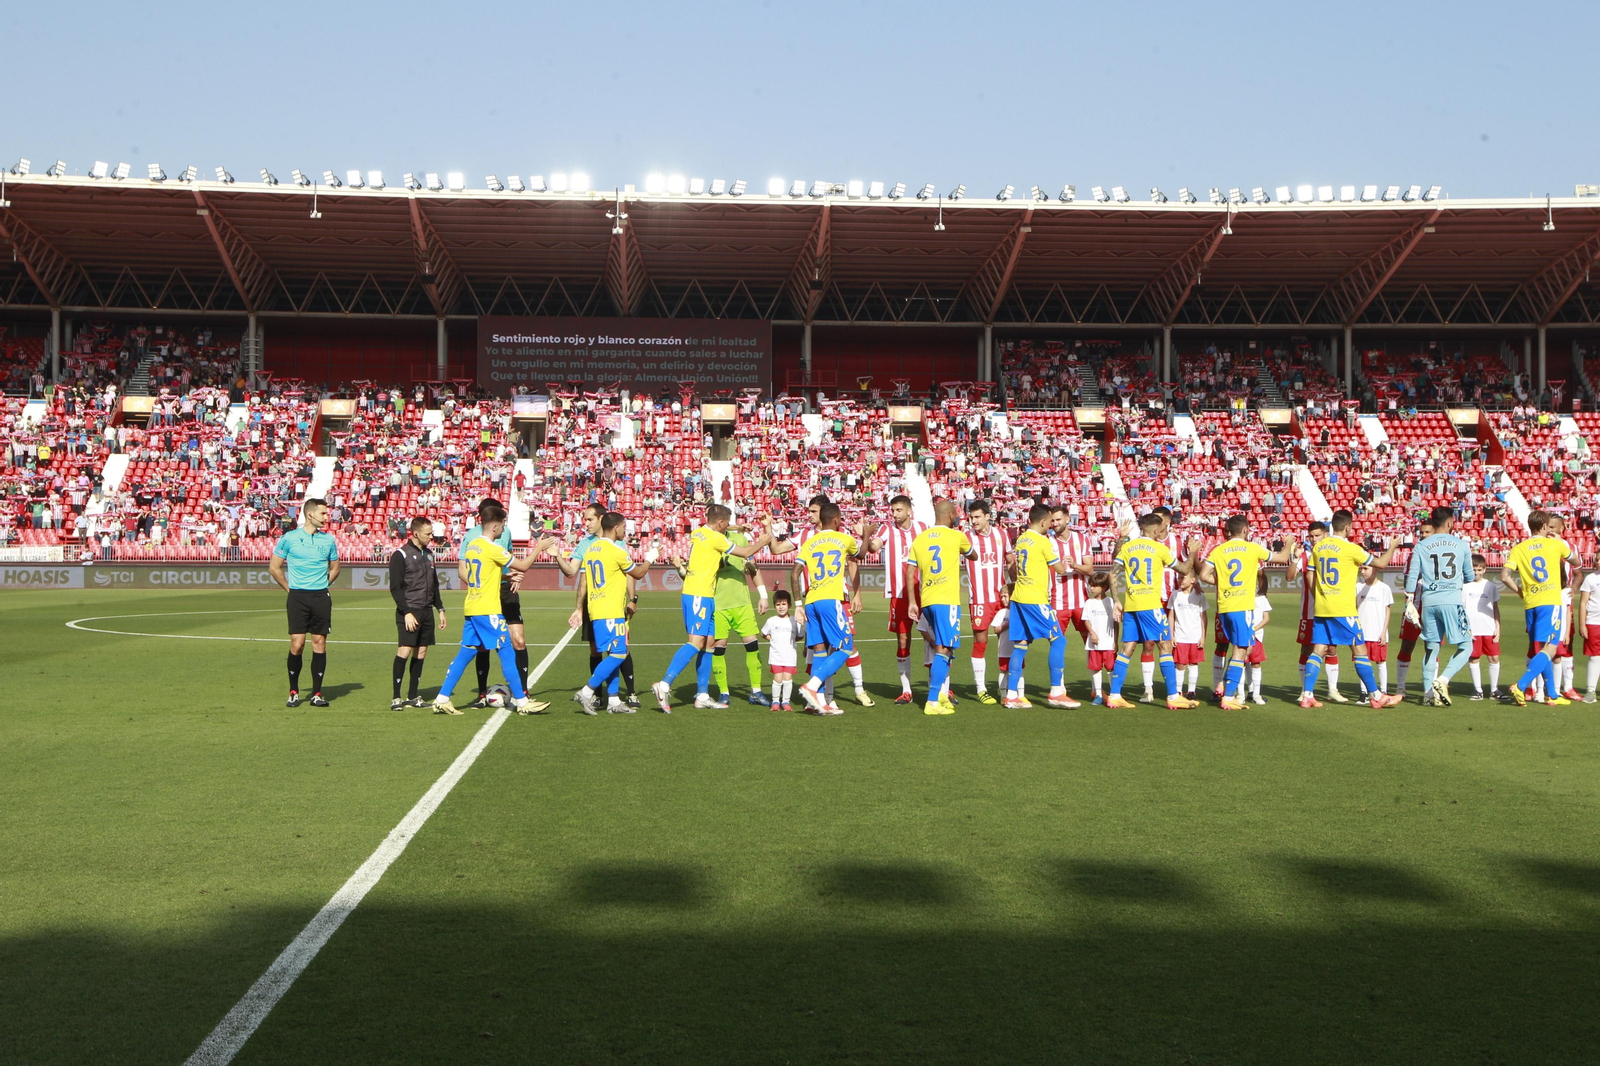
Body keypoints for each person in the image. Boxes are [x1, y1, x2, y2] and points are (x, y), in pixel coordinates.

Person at [433, 504, 554, 715]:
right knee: (506, 652)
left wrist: (505, 577)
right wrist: (539, 547)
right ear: (496, 526)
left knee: (466, 652)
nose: (503, 529)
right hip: (488, 609)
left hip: (472, 605)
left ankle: (442, 698)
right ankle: (523, 702)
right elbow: (523, 566)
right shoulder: (494, 548)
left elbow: (481, 575)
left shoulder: (472, 546)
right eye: (503, 525)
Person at [653, 504, 772, 712]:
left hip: (705, 596)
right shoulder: (717, 538)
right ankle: (664, 685)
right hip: (698, 594)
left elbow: (719, 526)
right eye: (725, 524)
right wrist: (762, 541)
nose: (727, 527)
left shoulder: (700, 532)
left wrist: (736, 528)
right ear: (720, 523)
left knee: (709, 644)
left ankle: (703, 695)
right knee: (696, 642)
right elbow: (744, 552)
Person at [1300, 510, 1401, 710]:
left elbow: (1310, 575)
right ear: (1348, 527)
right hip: (1343, 609)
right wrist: (1392, 547)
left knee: (1319, 649)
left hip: (1322, 608)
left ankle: (1307, 695)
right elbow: (1380, 563)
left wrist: (1319, 596)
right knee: (1359, 650)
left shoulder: (1319, 547)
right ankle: (1376, 695)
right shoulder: (1351, 548)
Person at [1197, 514, 1291, 710]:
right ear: (1246, 530)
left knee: (1242, 648)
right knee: (1242, 650)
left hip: (1224, 607)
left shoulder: (1218, 550)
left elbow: (1204, 575)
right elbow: (1282, 558)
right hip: (1242, 607)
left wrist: (1222, 582)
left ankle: (1227, 684)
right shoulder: (1252, 548)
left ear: (1229, 531)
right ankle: (1229, 695)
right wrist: (1289, 543)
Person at [570, 511, 656, 715]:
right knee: (618, 654)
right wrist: (651, 558)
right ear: (615, 528)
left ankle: (614, 700)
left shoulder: (591, 549)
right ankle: (587, 690)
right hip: (611, 610)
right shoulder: (616, 550)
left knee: (613, 652)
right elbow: (638, 573)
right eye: (624, 528)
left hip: (596, 609)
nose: (625, 531)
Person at [556, 503, 639, 710]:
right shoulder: (587, 544)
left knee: (618, 649)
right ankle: (593, 693)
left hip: (609, 606)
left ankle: (619, 697)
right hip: (601, 606)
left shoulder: (615, 544)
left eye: (589, 519)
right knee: (605, 651)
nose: (586, 524)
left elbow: (627, 574)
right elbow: (573, 573)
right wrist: (578, 607)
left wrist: (632, 598)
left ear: (602, 519)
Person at [1004, 503, 1082, 709]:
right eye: (1049, 521)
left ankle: (1012, 695)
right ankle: (1057, 691)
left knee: (1020, 644)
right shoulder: (1042, 541)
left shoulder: (1021, 539)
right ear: (1042, 521)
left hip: (1019, 597)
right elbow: (1060, 569)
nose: (1051, 524)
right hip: (1035, 598)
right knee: (1059, 640)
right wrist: (1065, 563)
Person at [459, 498, 534, 708]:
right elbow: (462, 571)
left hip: (505, 590)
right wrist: (480, 586)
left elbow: (507, 560)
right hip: (485, 595)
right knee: (482, 646)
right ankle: (482, 693)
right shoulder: (471, 537)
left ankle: (524, 691)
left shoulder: (505, 532)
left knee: (518, 640)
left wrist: (512, 577)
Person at [906, 499, 978, 715]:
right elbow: (973, 555)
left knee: (943, 647)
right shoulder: (957, 536)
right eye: (955, 514)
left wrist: (912, 602)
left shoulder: (920, 539)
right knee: (944, 649)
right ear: (950, 515)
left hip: (927, 600)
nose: (957, 517)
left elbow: (910, 573)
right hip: (946, 601)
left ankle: (942, 696)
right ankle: (932, 701)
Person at [268, 497, 339, 708]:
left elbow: (335, 567)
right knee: (297, 645)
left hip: (320, 597)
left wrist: (323, 584)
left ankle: (317, 693)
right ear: (310, 515)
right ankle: (294, 691)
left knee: (319, 643)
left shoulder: (328, 540)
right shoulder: (289, 538)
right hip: (298, 597)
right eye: (323, 514)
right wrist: (290, 589)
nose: (327, 517)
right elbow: (274, 567)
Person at [793, 502, 864, 715]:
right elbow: (860, 554)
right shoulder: (843, 538)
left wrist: (798, 604)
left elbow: (794, 573)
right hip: (830, 600)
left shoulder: (810, 542)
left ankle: (819, 703)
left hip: (811, 601)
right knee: (845, 646)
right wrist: (867, 533)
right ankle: (812, 686)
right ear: (836, 520)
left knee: (820, 651)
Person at [1402, 505, 1475, 705]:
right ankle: (1442, 680)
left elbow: (1411, 576)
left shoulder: (1421, 545)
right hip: (1451, 600)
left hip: (1429, 601)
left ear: (1433, 523)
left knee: (1431, 647)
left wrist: (1409, 600)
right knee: (1467, 645)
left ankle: (1428, 695)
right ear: (1450, 522)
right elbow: (1469, 576)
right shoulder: (1461, 545)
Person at [1500, 509, 1573, 706]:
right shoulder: (1554, 544)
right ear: (1543, 526)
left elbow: (1504, 576)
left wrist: (1519, 591)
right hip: (1549, 601)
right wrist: (1559, 540)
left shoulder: (1519, 548)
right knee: (1551, 647)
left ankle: (1552, 695)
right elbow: (1576, 561)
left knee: (1541, 648)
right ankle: (1521, 685)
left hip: (1530, 603)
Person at [866, 495, 926, 703]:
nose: (895, 514)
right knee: (903, 639)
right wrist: (866, 535)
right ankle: (907, 690)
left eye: (899, 510)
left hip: (923, 593)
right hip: (899, 595)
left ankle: (942, 687)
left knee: (934, 639)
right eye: (893, 510)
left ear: (909, 511)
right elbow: (873, 547)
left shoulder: (923, 528)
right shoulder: (887, 529)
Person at [389, 516, 446, 710]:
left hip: (426, 611)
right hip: (409, 611)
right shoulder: (401, 555)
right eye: (428, 533)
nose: (431, 537)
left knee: (421, 652)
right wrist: (406, 612)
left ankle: (413, 696)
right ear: (416, 533)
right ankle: (396, 697)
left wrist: (440, 609)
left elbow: (435, 585)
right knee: (404, 651)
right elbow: (395, 588)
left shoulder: (429, 555)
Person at [963, 499, 1011, 704]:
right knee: (981, 642)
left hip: (1001, 598)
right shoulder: (965, 538)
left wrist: (1013, 585)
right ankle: (981, 688)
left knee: (1008, 641)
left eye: (977, 517)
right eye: (971, 517)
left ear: (987, 516)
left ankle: (1008, 687)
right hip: (980, 600)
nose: (973, 521)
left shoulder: (1001, 534)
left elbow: (1010, 561)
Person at [1294, 521, 1345, 703]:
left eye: (1317, 535)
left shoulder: (1333, 553)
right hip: (1309, 612)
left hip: (1330, 609)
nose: (1314, 539)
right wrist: (1294, 558)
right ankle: (1305, 690)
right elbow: (1289, 576)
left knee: (1331, 648)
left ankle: (1332, 690)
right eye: (1311, 536)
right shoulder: (1306, 555)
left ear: (1325, 535)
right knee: (1307, 649)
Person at [1393, 516, 1437, 699]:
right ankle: (1400, 687)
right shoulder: (1413, 555)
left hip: (1433, 606)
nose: (1424, 535)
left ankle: (1431, 688)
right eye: (1422, 533)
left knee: (1432, 647)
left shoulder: (1439, 554)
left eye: (1428, 532)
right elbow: (1406, 580)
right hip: (1415, 606)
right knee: (1407, 646)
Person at [1462, 553, 1503, 701]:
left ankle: (1494, 689)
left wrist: (1498, 627)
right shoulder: (1465, 587)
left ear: (1484, 570)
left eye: (1479, 570)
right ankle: (1478, 689)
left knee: (1494, 658)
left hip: (1489, 628)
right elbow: (1462, 610)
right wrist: (1466, 629)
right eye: (1474, 569)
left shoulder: (1490, 586)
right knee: (1474, 658)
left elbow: (1495, 608)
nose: (1476, 573)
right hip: (1473, 630)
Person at [761, 590, 805, 711]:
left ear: (789, 605)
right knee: (778, 679)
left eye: (784, 604)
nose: (781, 607)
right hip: (776, 656)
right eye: (778, 604)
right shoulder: (771, 621)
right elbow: (763, 633)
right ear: (774, 606)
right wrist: (772, 639)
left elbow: (800, 635)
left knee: (787, 679)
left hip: (790, 656)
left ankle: (785, 702)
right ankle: (775, 701)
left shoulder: (794, 621)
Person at [1168, 570, 1208, 700]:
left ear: (1193, 580)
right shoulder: (1175, 595)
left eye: (1183, 578)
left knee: (1193, 664)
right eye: (1179, 578)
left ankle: (1192, 691)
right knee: (1180, 664)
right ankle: (1178, 690)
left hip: (1195, 636)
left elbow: (1203, 617)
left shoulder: (1200, 596)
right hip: (1180, 636)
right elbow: (1171, 616)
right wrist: (1171, 635)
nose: (1180, 580)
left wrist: (1203, 636)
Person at [1355, 564, 1394, 698]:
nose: (1363, 571)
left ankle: (1383, 690)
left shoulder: (1384, 588)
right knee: (1362, 661)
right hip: (1362, 633)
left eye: (1366, 568)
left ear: (1375, 570)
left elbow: (1387, 610)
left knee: (1381, 662)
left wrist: (1384, 631)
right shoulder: (1358, 587)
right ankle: (1364, 692)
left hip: (1378, 632)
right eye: (1361, 568)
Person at [1082, 573, 1118, 705]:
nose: (1091, 588)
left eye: (1094, 586)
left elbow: (1116, 622)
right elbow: (1085, 620)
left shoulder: (1110, 602)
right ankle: (1098, 694)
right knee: (1096, 668)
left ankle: (1114, 694)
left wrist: (1115, 640)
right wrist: (1092, 633)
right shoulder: (1089, 603)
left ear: (1104, 587)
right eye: (1091, 586)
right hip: (1094, 643)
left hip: (1108, 642)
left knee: (1111, 668)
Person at [1576, 558, 1600, 703]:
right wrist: (1582, 624)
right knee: (1595, 657)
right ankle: (1590, 691)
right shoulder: (1590, 578)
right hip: (1594, 623)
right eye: (1597, 559)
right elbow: (1583, 603)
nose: (1598, 561)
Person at [1247, 577, 1272, 704]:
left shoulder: (1261, 599)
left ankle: (1256, 694)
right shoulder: (1242, 597)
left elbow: (1266, 618)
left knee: (1256, 663)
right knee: (1242, 663)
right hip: (1244, 635)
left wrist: (1254, 628)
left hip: (1256, 636)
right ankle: (1241, 694)